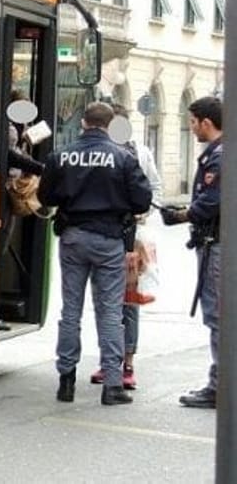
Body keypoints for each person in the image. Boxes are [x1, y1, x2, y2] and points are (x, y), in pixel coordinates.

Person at [37, 101, 152, 406]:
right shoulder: (123, 157)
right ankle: (113, 385)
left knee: (70, 310)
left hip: (73, 237)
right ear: (109, 124)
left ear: (84, 123)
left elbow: (45, 196)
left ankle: (66, 380)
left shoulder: (61, 155)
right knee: (111, 312)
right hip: (110, 239)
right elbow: (142, 200)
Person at [89, 102, 163, 390]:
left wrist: (144, 212)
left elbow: (155, 187)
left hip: (132, 239)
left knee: (129, 302)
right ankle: (110, 360)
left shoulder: (139, 153)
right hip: (104, 234)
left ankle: (127, 363)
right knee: (105, 302)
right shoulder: (98, 154)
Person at [160, 96, 222, 409]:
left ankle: (218, 387)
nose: (191, 127)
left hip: (217, 245)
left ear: (206, 123)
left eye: (193, 122)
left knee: (218, 316)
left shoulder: (219, 157)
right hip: (214, 242)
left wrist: (180, 215)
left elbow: (211, 203)